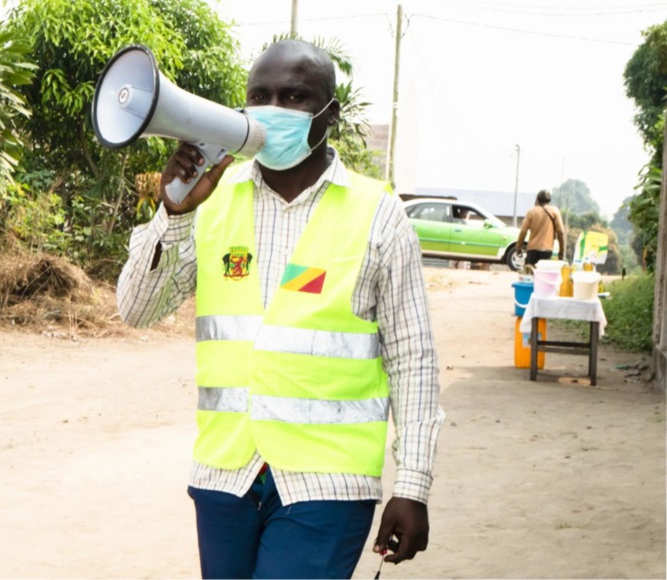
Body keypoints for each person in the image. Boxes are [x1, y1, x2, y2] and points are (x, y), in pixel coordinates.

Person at [117, 39, 444, 579]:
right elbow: (135, 309)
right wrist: (172, 214)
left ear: (329, 114)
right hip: (225, 476)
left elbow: (414, 360)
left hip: (328, 483)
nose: (273, 109)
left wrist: (413, 485)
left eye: (294, 97)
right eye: (260, 96)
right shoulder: (210, 201)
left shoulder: (379, 214)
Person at [516, 190, 566, 267]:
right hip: (547, 250)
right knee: (543, 272)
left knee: (530, 272)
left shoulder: (531, 212)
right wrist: (561, 252)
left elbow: (523, 231)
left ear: (537, 199)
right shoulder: (555, 211)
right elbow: (560, 232)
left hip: (532, 250)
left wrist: (518, 247)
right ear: (549, 200)